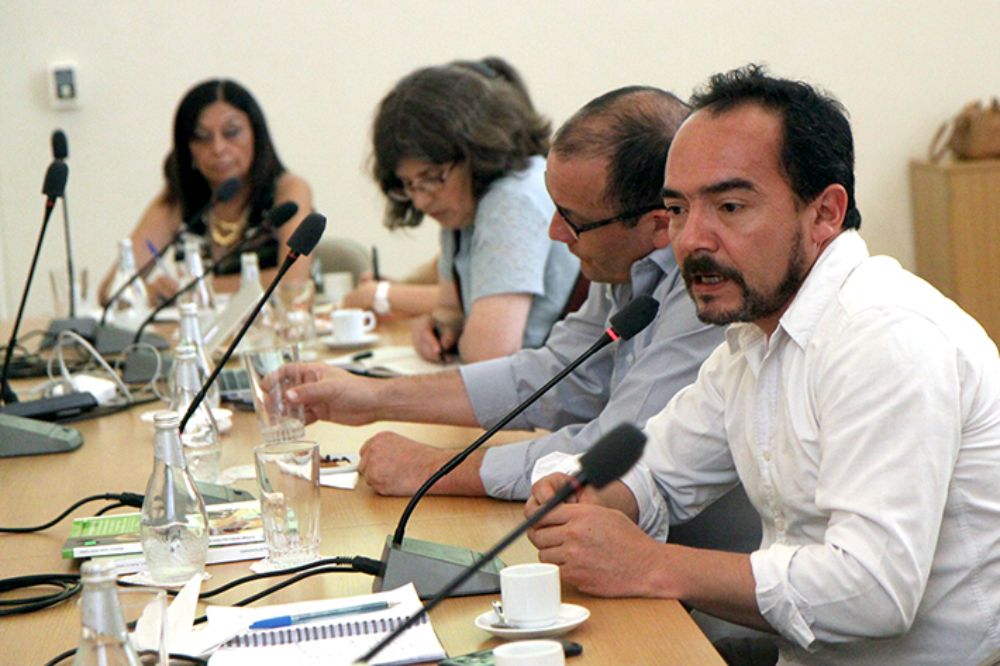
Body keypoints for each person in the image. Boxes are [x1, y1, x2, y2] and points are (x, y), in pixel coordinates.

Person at [526, 65, 1000, 665]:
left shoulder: (886, 339)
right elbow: (659, 468)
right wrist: (585, 494)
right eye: (677, 210)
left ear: (825, 213)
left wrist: (651, 565)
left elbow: (875, 592)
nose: (693, 240)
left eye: (728, 206)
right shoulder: (754, 338)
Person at [284, 86, 757, 546]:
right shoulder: (628, 265)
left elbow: (613, 447)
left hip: (706, 565)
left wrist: (437, 469)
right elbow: (556, 375)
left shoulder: (709, 287)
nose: (553, 233)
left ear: (657, 224)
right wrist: (371, 396)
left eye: (571, 219)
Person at [369, 56, 579, 362]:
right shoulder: (461, 204)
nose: (421, 201)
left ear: (477, 149)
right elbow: (448, 311)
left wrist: (459, 330)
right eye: (408, 184)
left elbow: (489, 358)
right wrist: (436, 327)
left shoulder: (512, 201)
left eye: (431, 177)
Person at [99, 78, 313, 305]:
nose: (218, 149)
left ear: (256, 136)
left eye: (231, 132)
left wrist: (191, 289)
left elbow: (292, 283)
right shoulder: (178, 201)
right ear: (187, 149)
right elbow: (110, 291)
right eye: (202, 137)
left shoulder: (288, 190)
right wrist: (147, 292)